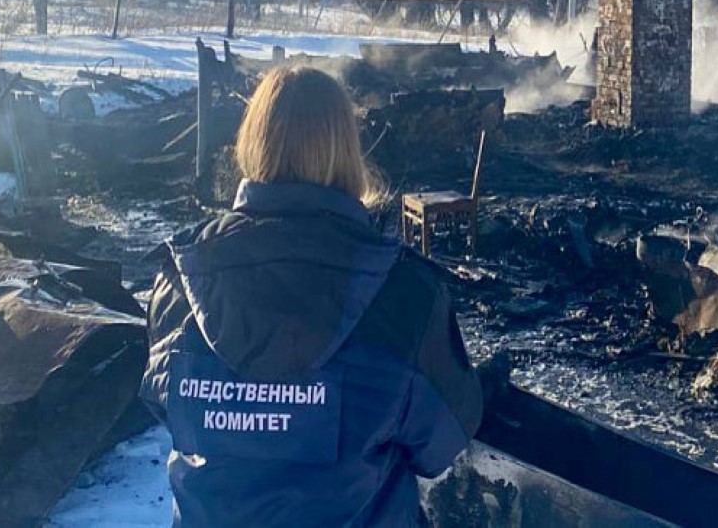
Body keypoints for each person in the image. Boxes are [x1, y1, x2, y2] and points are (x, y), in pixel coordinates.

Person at [140, 65, 483, 527]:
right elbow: (442, 443)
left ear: (251, 142)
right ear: (348, 150)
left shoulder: (182, 282)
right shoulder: (403, 293)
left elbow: (168, 408)